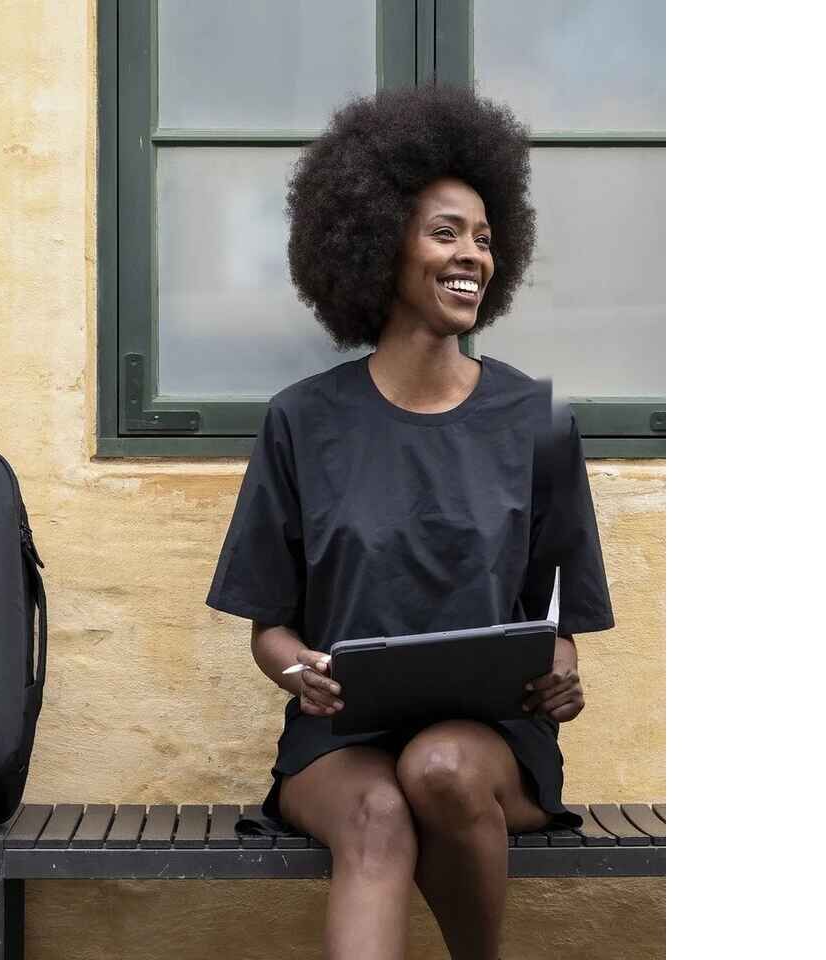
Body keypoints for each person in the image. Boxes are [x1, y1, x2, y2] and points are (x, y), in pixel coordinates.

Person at [205, 83, 615, 960]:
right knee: (378, 813)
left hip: (490, 743)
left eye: (485, 238)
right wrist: (301, 673)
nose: (472, 256)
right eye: (445, 233)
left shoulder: (537, 419)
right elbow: (270, 630)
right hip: (338, 736)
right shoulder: (301, 420)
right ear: (377, 242)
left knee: (439, 769)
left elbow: (559, 624)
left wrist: (562, 677)